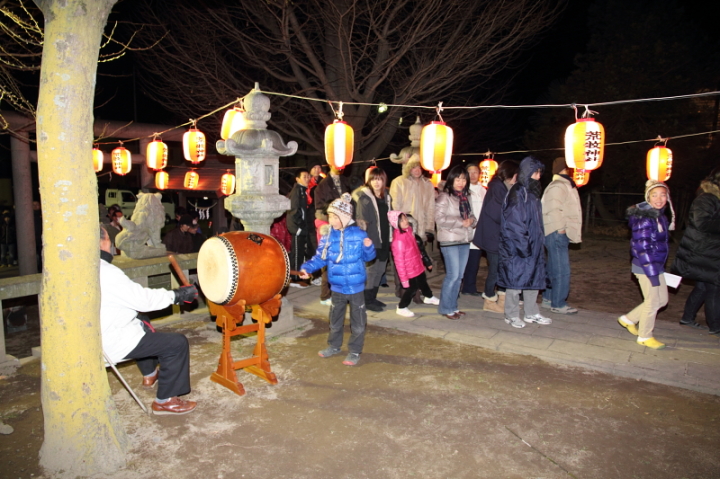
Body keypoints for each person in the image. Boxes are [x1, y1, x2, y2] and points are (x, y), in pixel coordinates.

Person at [99, 225, 199, 415]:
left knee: (142, 321)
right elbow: (143, 300)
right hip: (108, 341)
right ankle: (165, 400)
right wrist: (177, 295)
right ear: (101, 242)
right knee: (176, 344)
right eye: (108, 239)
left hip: (97, 335)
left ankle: (150, 374)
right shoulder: (105, 272)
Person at [299, 193, 376, 366]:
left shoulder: (359, 234)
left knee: (358, 322)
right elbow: (320, 257)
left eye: (335, 217)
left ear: (345, 217)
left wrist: (368, 247)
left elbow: (369, 257)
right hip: (337, 287)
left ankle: (354, 351)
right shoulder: (328, 237)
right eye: (330, 216)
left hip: (356, 287)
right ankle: (334, 346)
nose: (331, 220)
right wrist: (307, 268)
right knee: (335, 320)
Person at [617, 180, 675, 349]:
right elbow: (642, 247)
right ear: (648, 197)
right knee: (652, 301)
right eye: (654, 195)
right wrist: (652, 273)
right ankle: (644, 336)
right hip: (645, 266)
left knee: (662, 300)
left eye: (663, 195)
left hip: (656, 265)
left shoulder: (660, 215)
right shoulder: (644, 217)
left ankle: (629, 319)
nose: (659, 199)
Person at [498, 156, 551, 329]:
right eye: (535, 173)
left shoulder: (532, 194)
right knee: (515, 281)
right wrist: (523, 246)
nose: (538, 176)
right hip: (518, 247)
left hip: (533, 245)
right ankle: (511, 315)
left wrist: (538, 244)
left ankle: (531, 312)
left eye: (540, 173)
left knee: (533, 279)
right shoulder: (518, 192)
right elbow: (514, 223)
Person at [672, 168, 720, 333]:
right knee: (714, 287)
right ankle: (716, 327)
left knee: (703, 286)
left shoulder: (714, 198)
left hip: (709, 251)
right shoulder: (706, 198)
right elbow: (702, 223)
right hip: (705, 252)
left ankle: (688, 318)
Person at [540, 157, 583, 314]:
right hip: (556, 232)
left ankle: (548, 298)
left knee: (553, 267)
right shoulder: (559, 185)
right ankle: (558, 303)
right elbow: (552, 209)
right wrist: (560, 228)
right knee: (561, 269)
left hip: (555, 231)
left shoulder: (563, 184)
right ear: (566, 168)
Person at [474, 160, 518, 302]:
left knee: (501, 266)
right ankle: (489, 294)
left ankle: (500, 292)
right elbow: (496, 213)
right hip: (493, 235)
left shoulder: (502, 187)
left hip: (497, 235)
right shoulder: (497, 188)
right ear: (510, 174)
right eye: (516, 174)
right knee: (495, 268)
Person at [436, 165, 476, 320]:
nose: (461, 182)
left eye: (464, 179)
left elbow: (472, 216)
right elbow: (439, 219)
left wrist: (471, 221)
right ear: (452, 179)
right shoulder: (445, 196)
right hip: (450, 239)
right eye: (458, 179)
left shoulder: (466, 196)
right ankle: (445, 308)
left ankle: (453, 306)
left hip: (464, 239)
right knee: (452, 275)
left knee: (459, 276)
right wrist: (461, 222)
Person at [354, 166, 392, 312]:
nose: (376, 182)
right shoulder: (364, 197)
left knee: (380, 270)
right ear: (369, 181)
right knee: (371, 271)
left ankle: (372, 297)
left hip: (385, 238)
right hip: (371, 239)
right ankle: (366, 300)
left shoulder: (386, 196)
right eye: (373, 179)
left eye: (379, 179)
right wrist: (365, 242)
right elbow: (361, 222)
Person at [388, 211, 439, 317]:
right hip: (409, 269)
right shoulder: (398, 241)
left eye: (405, 218)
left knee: (422, 281)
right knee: (412, 288)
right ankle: (401, 307)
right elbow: (399, 263)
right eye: (402, 220)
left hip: (416, 264)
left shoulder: (408, 231)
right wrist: (404, 279)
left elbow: (416, 248)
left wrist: (422, 260)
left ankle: (429, 297)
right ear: (395, 223)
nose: (405, 221)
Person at [313, 165, 351, 304]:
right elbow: (319, 208)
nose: (339, 167)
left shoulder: (345, 181)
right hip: (328, 224)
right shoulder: (322, 185)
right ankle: (325, 295)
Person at [390, 157, 436, 245]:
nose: (417, 170)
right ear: (408, 168)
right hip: (405, 227)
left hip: (422, 227)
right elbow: (395, 206)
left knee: (419, 253)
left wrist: (429, 228)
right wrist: (400, 224)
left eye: (419, 167)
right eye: (414, 167)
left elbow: (431, 207)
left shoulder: (428, 184)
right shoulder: (399, 182)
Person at [461, 162, 486, 296]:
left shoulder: (483, 191)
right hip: (465, 230)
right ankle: (460, 286)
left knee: (475, 261)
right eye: (469, 172)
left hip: (479, 231)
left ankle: (469, 287)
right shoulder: (463, 190)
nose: (473, 175)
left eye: (475, 172)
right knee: (463, 261)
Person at [287, 169, 312, 287]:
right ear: (297, 179)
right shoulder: (297, 190)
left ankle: (299, 276)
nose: (307, 179)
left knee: (301, 252)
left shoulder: (303, 190)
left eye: (308, 176)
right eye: (304, 176)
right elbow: (294, 209)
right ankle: (294, 279)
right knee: (297, 253)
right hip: (297, 227)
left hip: (302, 226)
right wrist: (300, 225)